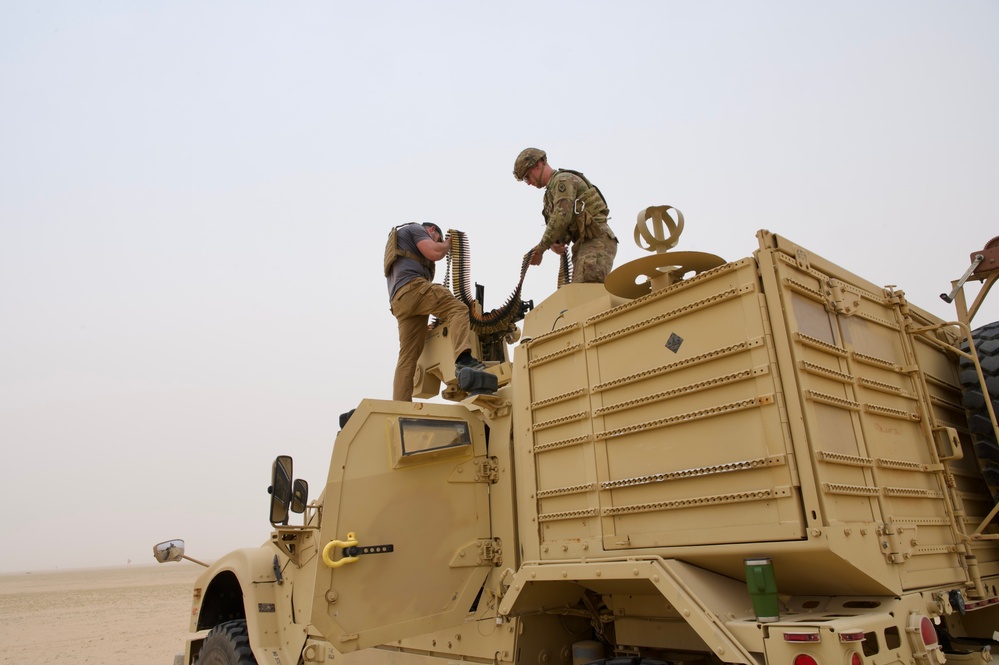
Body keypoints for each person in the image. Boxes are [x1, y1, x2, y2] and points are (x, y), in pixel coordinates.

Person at [386, 222, 484, 401]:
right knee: (458, 308)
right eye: (436, 238)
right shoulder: (416, 229)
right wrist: (448, 243)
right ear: (431, 230)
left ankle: (400, 406)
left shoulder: (403, 243)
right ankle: (464, 360)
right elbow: (434, 252)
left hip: (400, 302)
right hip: (412, 288)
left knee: (408, 356)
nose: (438, 242)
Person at [513, 148, 618, 283]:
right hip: (583, 245)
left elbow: (561, 217)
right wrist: (554, 244)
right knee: (576, 295)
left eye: (527, 177)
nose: (529, 183)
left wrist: (540, 249)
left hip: (596, 241)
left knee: (586, 293)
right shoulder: (550, 195)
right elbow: (561, 226)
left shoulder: (563, 180)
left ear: (537, 165)